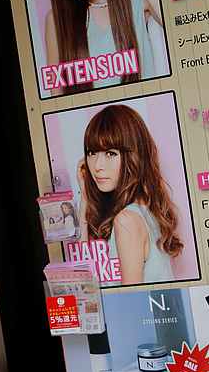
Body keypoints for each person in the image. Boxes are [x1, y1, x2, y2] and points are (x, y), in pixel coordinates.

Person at [76, 104, 183, 284]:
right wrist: (85, 198)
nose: (97, 166)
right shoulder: (146, 210)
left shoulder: (126, 220)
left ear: (133, 156)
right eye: (92, 153)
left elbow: (132, 304)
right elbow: (83, 270)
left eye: (110, 153)